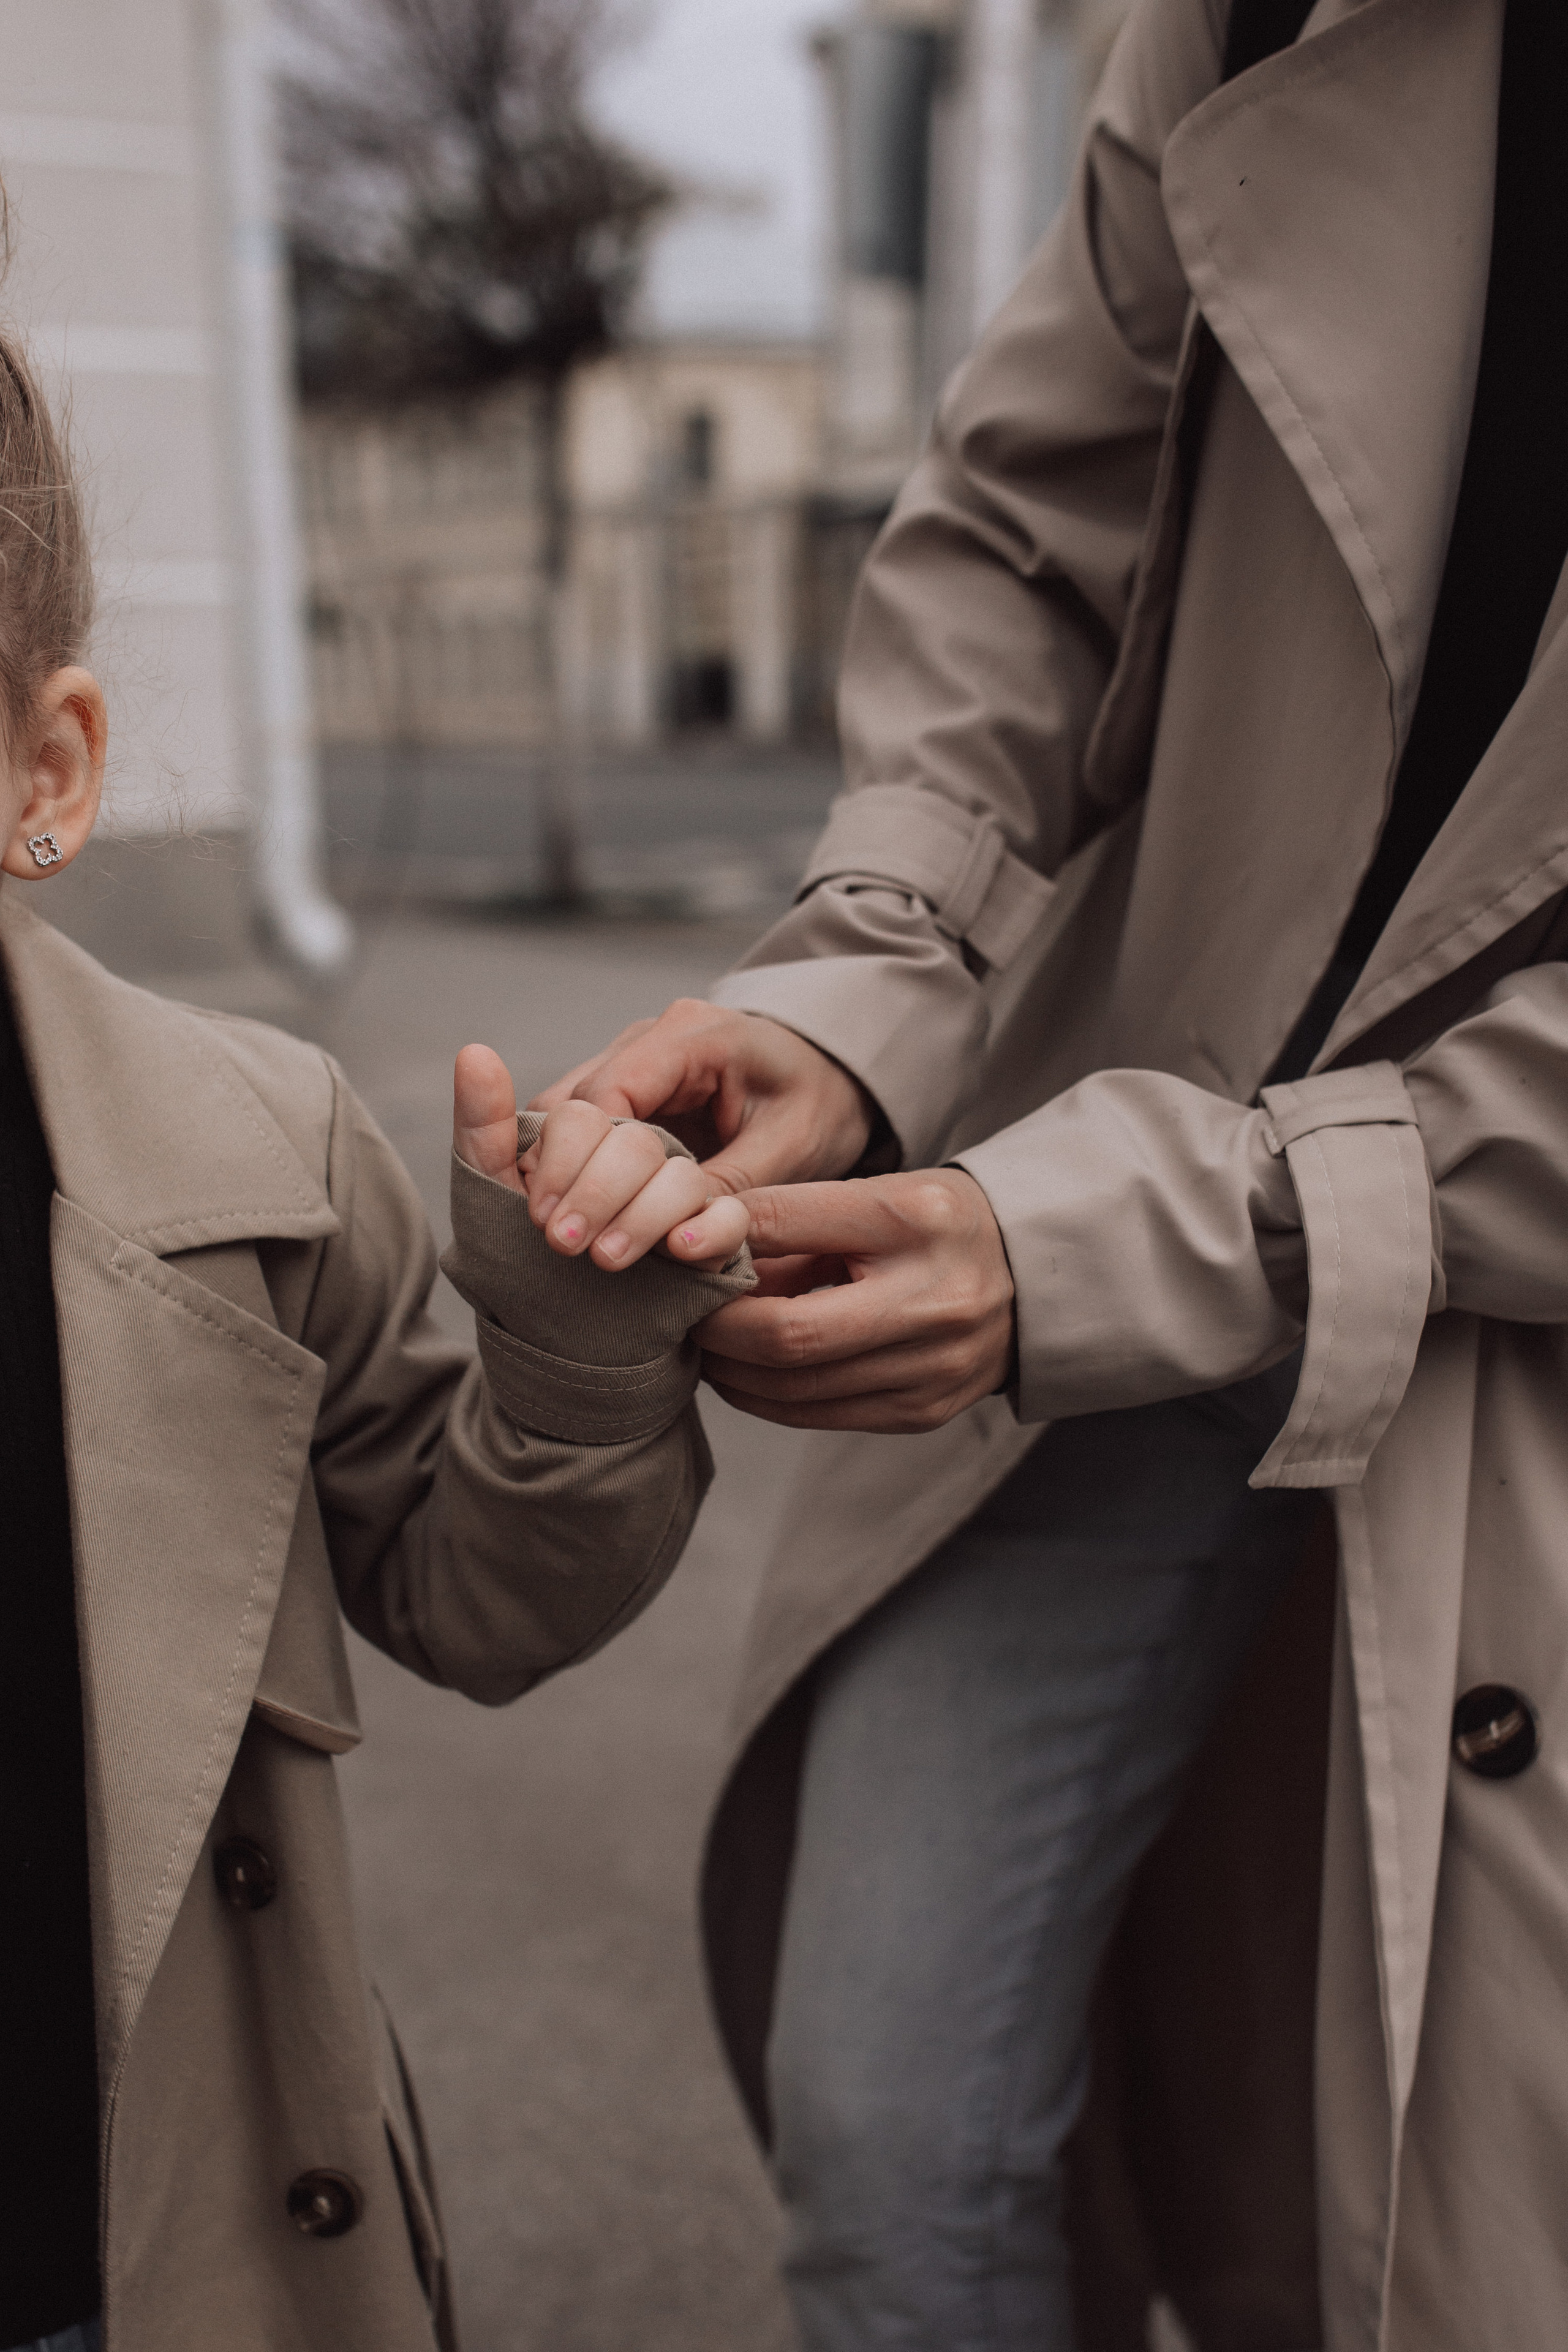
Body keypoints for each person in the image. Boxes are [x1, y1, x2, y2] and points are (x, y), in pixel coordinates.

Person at [533, 0, 1568, 2343]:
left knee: (1442, 2224)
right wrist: (863, 990)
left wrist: (1152, 1229)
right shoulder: (1248, 16)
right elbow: (1033, 524)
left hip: (1452, 1263)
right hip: (1123, 1179)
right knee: (892, 2133)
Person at [0, 320, 752, 2352]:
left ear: (43, 773)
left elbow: (469, 1581)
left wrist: (579, 1350)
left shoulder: (246, 1161)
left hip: (131, 2261)